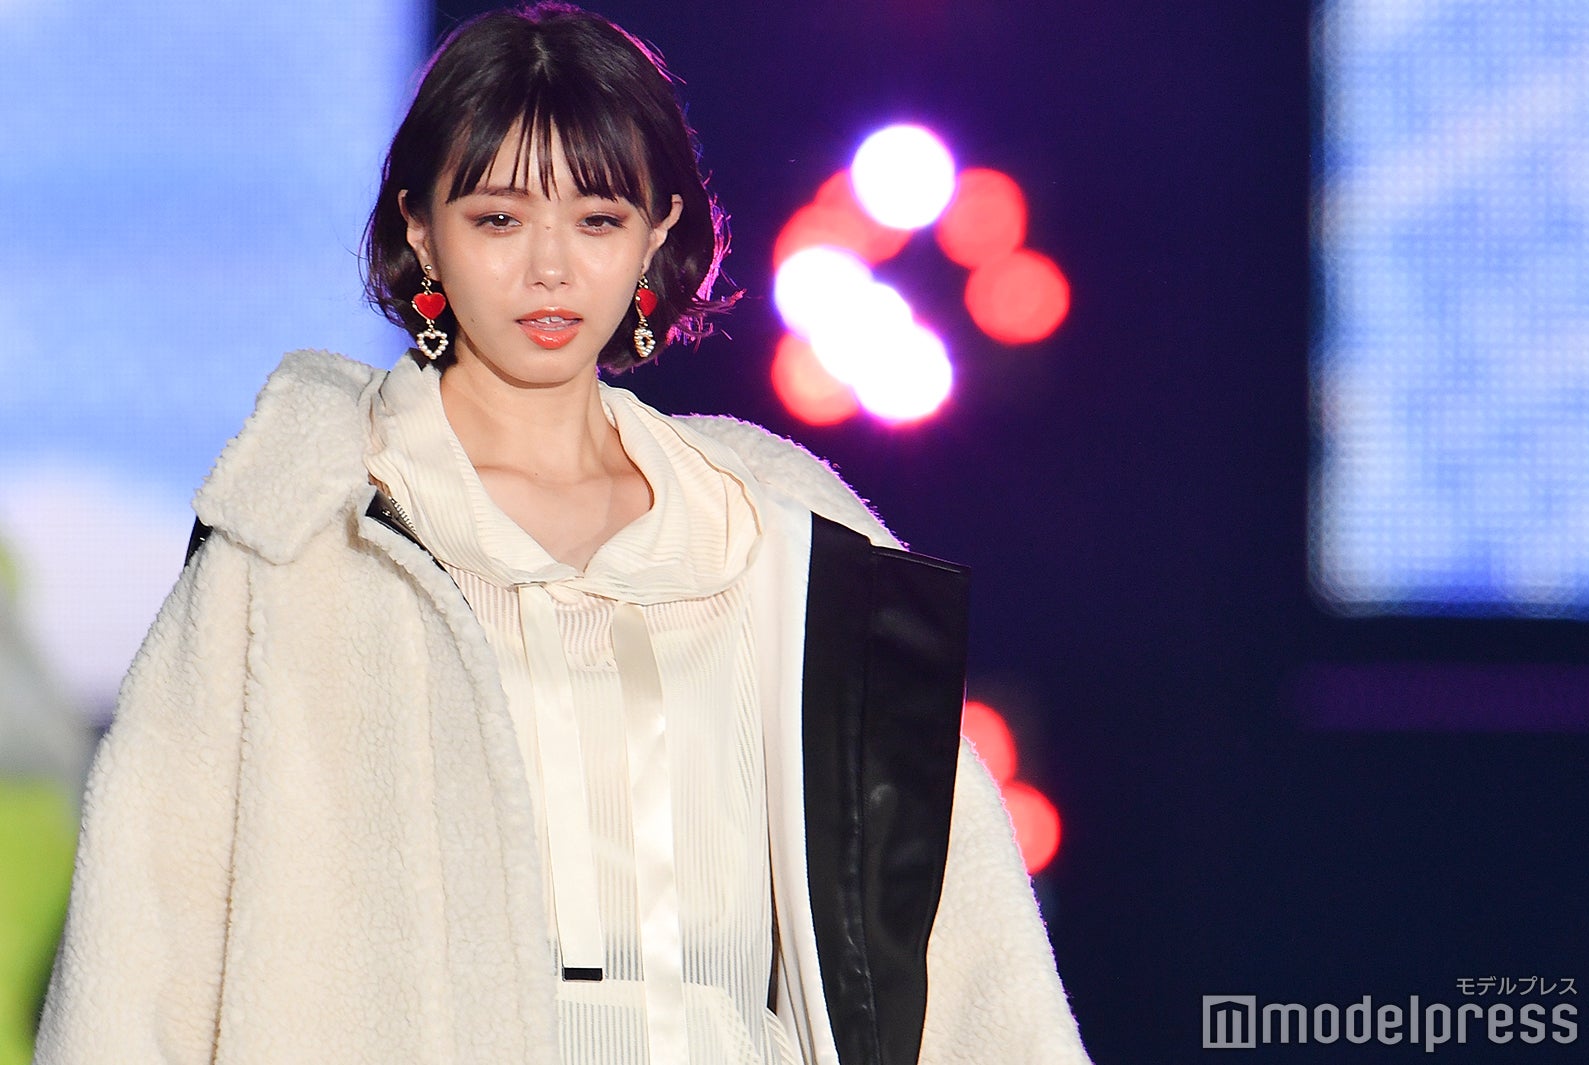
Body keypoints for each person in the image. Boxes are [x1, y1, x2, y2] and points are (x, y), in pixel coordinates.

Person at [34, 5, 1093, 1064]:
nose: (550, 268)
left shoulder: (778, 539)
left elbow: (962, 947)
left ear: (658, 231)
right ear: (419, 228)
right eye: (498, 219)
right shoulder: (299, 535)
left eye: (596, 218)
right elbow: (145, 946)